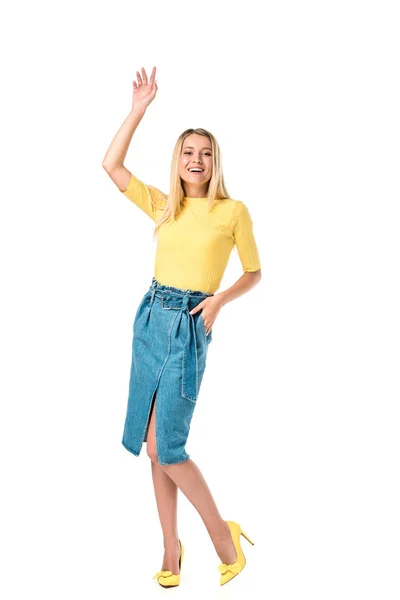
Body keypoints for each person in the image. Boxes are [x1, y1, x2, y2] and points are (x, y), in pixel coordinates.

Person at [102, 66, 261, 587]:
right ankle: (171, 551)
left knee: (167, 445)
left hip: (191, 322)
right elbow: (111, 164)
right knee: (152, 444)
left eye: (205, 153)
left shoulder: (232, 211)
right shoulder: (166, 206)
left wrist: (219, 301)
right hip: (150, 317)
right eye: (188, 152)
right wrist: (139, 108)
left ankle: (221, 536)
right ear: (178, 160)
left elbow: (255, 272)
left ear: (215, 162)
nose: (196, 160)